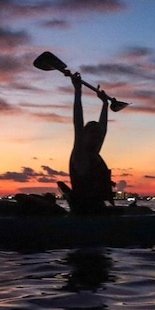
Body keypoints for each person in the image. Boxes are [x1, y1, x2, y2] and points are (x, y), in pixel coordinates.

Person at [58, 73, 118, 214]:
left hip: (99, 209)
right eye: (93, 135)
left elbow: (103, 129)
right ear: (83, 136)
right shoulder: (80, 155)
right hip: (86, 212)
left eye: (98, 136)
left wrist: (105, 104)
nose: (97, 138)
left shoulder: (93, 154)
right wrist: (78, 91)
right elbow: (78, 122)